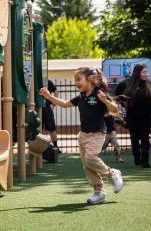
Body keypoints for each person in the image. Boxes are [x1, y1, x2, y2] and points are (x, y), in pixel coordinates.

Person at [40, 67, 123, 205]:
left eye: (78, 79)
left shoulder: (99, 94)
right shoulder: (81, 97)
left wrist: (106, 101)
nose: (76, 83)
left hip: (97, 134)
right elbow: (65, 104)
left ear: (89, 79)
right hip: (83, 135)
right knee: (87, 164)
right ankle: (99, 192)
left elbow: (114, 110)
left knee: (91, 158)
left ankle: (112, 173)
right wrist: (49, 97)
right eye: (75, 80)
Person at [115, 64, 151, 168]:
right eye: (144, 72)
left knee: (145, 139)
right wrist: (123, 105)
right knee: (135, 140)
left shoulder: (149, 84)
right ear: (137, 72)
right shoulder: (126, 83)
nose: (146, 74)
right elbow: (118, 96)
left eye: (147, 72)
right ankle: (136, 156)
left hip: (146, 116)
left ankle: (145, 161)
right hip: (132, 117)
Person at [42, 79, 60, 153]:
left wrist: (53, 104)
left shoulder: (47, 82)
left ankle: (55, 147)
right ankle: (40, 147)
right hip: (36, 106)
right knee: (38, 127)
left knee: (51, 127)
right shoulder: (33, 81)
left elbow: (56, 91)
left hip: (47, 108)